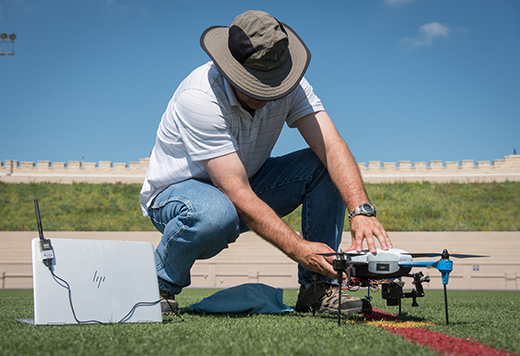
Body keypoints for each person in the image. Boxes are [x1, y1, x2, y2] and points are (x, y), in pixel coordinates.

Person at [140, 10, 392, 315]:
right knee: (214, 213)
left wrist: (360, 210)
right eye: (255, 83)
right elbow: (234, 191)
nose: (267, 92)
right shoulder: (199, 97)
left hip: (245, 183)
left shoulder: (292, 84)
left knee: (323, 167)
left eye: (271, 82)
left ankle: (318, 287)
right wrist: (298, 248)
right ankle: (159, 286)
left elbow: (331, 144)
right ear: (229, 67)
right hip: (178, 193)